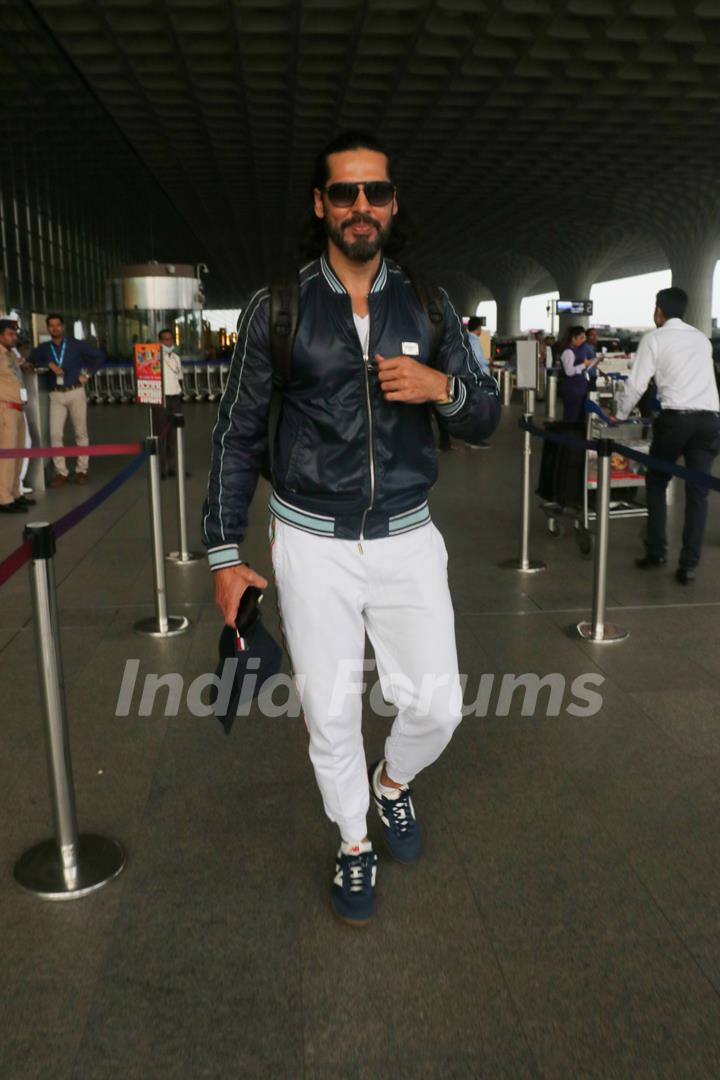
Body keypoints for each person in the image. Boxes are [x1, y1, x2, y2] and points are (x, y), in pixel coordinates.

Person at [203, 131, 500, 926]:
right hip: (310, 543)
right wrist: (224, 554)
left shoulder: (431, 305)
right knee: (331, 712)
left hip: (408, 535)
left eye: (374, 192)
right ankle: (353, 842)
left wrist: (444, 387)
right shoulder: (280, 307)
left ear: (394, 204)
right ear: (320, 205)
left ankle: (393, 782)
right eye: (344, 193)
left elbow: (486, 416)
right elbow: (235, 433)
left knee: (438, 705)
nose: (360, 207)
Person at [614, 287, 720, 584]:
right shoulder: (701, 339)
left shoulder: (654, 338)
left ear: (659, 310)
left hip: (677, 420)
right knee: (698, 492)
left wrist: (619, 415)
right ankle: (689, 566)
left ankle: (657, 551)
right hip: (710, 421)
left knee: (657, 481)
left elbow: (636, 384)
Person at [28, 314, 105, 487]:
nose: (55, 328)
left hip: (75, 391)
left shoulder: (76, 345)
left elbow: (100, 356)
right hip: (55, 395)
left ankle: (81, 470)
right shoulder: (44, 348)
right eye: (51, 326)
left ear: (63, 327)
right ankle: (61, 472)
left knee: (80, 432)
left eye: (58, 325)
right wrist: (48, 364)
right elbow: (30, 361)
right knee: (55, 434)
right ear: (48, 328)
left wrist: (88, 374)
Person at [0, 318, 33, 514]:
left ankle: (14, 492)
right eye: (10, 334)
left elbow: (19, 369)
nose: (15, 337)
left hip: (18, 408)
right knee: (8, 454)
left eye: (15, 334)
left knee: (19, 451)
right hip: (5, 410)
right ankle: (4, 498)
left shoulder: (11, 354)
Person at [153, 329, 185, 478]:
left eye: (170, 339)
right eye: (165, 339)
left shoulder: (176, 358)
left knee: (174, 435)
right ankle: (161, 469)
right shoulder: (154, 358)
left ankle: (173, 467)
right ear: (160, 341)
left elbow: (179, 377)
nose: (168, 342)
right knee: (160, 434)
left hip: (175, 398)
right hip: (161, 399)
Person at [464, 316, 492, 449]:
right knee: (479, 409)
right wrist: (488, 361)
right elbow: (477, 359)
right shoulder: (474, 341)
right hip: (478, 378)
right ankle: (473, 439)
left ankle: (471, 437)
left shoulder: (467, 339)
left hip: (472, 377)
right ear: (478, 328)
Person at [559, 325, 595, 422]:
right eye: (581, 338)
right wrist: (584, 364)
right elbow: (569, 371)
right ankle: (568, 434)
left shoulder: (577, 350)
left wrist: (589, 364)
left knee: (578, 415)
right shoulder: (568, 352)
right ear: (573, 338)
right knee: (571, 415)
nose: (583, 340)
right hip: (572, 389)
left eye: (584, 338)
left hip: (579, 388)